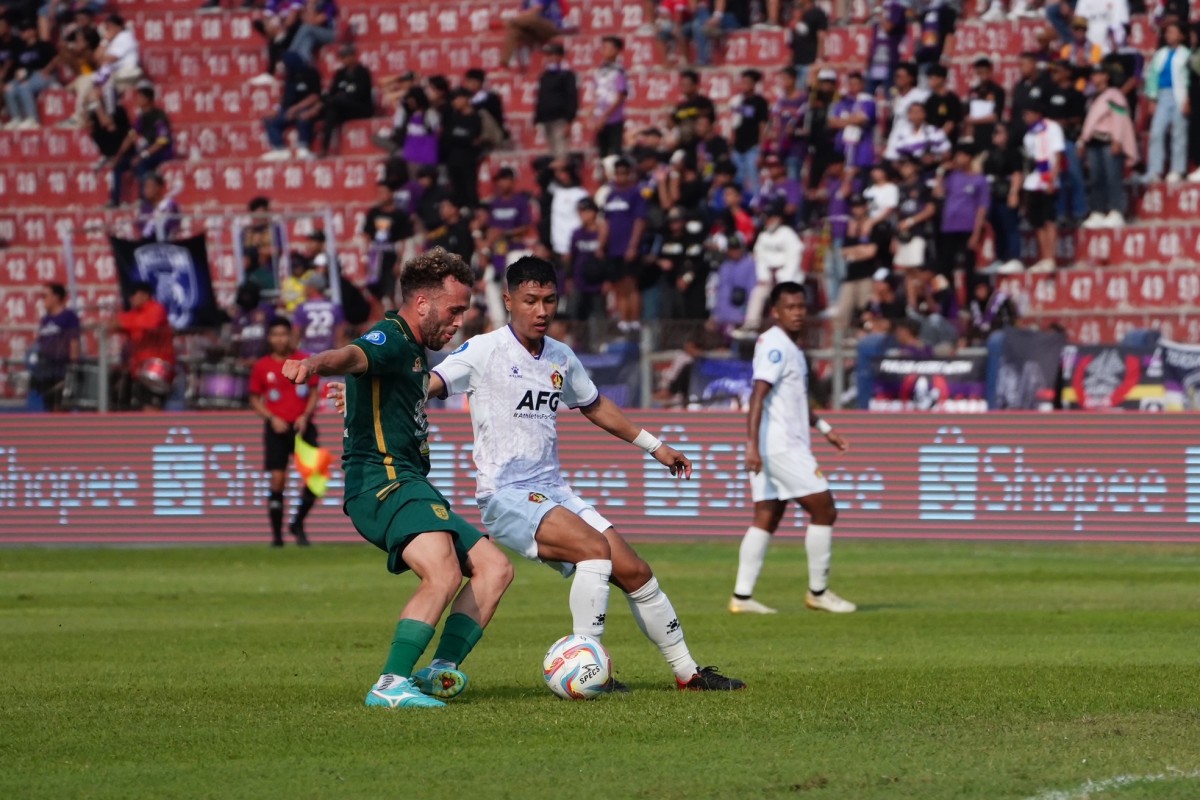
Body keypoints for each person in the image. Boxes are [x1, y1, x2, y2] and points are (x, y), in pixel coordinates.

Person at [332, 256, 746, 692]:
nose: (541, 310)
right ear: (509, 301)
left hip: (553, 490)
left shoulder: (561, 356)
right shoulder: (484, 349)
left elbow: (594, 405)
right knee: (593, 550)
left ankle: (688, 674)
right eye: (530, 300)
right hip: (506, 494)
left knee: (635, 571)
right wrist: (365, 392)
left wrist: (656, 446)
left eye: (549, 300)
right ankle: (590, 669)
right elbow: (428, 382)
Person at [281, 247, 514, 709]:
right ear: (422, 303)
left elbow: (373, 382)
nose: (459, 322)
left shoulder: (412, 350)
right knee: (443, 573)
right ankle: (390, 685)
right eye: (454, 310)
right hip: (382, 482)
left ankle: (437, 671)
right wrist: (313, 364)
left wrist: (353, 397)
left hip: (407, 481)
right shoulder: (390, 336)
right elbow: (352, 355)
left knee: (494, 568)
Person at [730, 281, 855, 615]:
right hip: (781, 446)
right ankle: (819, 592)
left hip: (775, 445)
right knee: (825, 510)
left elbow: (794, 401)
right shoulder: (776, 345)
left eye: (801, 307)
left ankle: (741, 598)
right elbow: (757, 395)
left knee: (767, 516)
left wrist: (825, 429)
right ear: (776, 311)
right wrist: (751, 446)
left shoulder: (791, 347)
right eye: (790, 307)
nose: (797, 313)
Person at [248, 317, 320, 548]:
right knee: (278, 480)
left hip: (302, 426)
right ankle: (277, 537)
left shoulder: (304, 360)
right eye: (275, 335)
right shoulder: (262, 366)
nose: (280, 339)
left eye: (283, 334)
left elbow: (314, 391)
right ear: (269, 338)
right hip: (276, 428)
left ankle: (297, 522)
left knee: (316, 478)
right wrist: (271, 418)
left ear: (291, 336)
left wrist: (305, 416)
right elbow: (254, 398)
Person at [1080, 65, 1135, 228]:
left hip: (1108, 140)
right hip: (1094, 142)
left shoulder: (1114, 94)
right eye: (1093, 75)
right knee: (1096, 178)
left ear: (1106, 76)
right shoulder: (1092, 96)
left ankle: (1116, 210)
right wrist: (1083, 141)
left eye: (1098, 74)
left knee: (1112, 177)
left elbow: (1119, 118)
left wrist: (1117, 139)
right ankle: (1097, 210)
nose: (1095, 78)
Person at [598, 156, 647, 331]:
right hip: (613, 249)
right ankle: (623, 320)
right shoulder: (610, 196)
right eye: (617, 173)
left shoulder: (635, 194)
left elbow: (639, 221)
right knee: (618, 286)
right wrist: (601, 245)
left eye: (623, 173)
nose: (620, 177)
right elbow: (606, 223)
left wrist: (633, 246)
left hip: (628, 248)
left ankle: (634, 320)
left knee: (630, 285)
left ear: (629, 174)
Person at [934, 143, 990, 286]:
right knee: (946, 266)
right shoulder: (953, 177)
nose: (957, 159)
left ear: (969, 158)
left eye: (961, 155)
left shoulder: (979, 179)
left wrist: (976, 234)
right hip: (949, 226)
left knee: (969, 266)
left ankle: (969, 298)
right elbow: (938, 193)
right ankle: (949, 297)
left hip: (968, 227)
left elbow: (982, 208)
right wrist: (940, 172)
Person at [110, 84, 174, 208]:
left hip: (160, 153)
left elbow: (161, 142)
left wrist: (142, 155)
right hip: (146, 152)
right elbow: (131, 136)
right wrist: (119, 155)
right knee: (119, 165)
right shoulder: (141, 118)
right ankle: (115, 201)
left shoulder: (159, 117)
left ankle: (144, 200)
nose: (137, 100)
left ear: (147, 99)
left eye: (139, 97)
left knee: (140, 164)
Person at [1143, 21, 1191, 184]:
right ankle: (1155, 170)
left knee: (1179, 133)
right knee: (1157, 132)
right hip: (1163, 95)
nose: (1169, 35)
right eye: (1167, 32)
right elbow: (1152, 76)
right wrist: (1152, 98)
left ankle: (1177, 169)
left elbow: (1188, 79)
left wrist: (1187, 99)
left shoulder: (1186, 54)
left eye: (1173, 31)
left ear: (1181, 35)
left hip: (1179, 95)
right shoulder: (1160, 54)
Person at [115, 280, 175, 410]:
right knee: (131, 405)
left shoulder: (156, 309)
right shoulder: (133, 313)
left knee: (151, 408)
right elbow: (117, 322)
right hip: (138, 369)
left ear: (145, 295)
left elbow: (149, 324)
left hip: (157, 368)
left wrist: (121, 324)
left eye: (134, 294)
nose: (131, 298)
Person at [744, 201, 803, 332]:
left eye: (771, 217)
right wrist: (764, 276)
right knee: (757, 293)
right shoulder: (763, 236)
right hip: (769, 276)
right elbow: (760, 258)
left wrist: (785, 278)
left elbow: (794, 257)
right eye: (767, 218)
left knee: (785, 298)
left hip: (788, 277)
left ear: (778, 218)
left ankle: (787, 327)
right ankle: (751, 326)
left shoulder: (788, 234)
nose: (768, 221)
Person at [1021, 102, 1064, 273]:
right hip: (1033, 181)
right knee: (1037, 221)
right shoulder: (1028, 134)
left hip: (1047, 178)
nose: (1025, 117)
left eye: (1028, 114)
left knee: (1049, 220)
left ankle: (1051, 257)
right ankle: (1044, 257)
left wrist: (1053, 178)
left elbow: (1058, 154)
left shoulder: (1052, 128)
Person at [363, 180, 414, 307]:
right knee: (374, 290)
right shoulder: (373, 213)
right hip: (375, 257)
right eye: (379, 192)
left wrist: (399, 261)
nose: (381, 195)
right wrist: (366, 256)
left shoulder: (400, 215)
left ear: (391, 194)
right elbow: (367, 235)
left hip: (391, 256)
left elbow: (403, 240)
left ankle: (395, 315)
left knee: (390, 291)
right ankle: (382, 316)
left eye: (384, 192)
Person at [262, 51, 321, 161]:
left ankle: (303, 148)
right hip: (290, 110)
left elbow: (315, 96)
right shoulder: (290, 76)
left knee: (304, 116)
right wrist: (278, 110)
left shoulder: (311, 73)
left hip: (305, 108)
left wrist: (296, 108)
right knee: (270, 121)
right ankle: (280, 149)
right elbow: (286, 99)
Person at [31, 283, 80, 412]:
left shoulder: (69, 317)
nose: (43, 300)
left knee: (60, 405)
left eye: (45, 296)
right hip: (47, 368)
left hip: (62, 368)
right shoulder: (45, 319)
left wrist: (73, 366)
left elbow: (74, 341)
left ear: (56, 297)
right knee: (48, 405)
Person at [318, 43, 372, 155]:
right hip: (342, 107)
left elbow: (361, 93)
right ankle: (324, 147)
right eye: (341, 57)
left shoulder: (363, 72)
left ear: (353, 56)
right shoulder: (340, 73)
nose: (343, 60)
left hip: (360, 107)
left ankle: (320, 109)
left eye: (345, 56)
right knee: (331, 111)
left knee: (336, 102)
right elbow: (332, 92)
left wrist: (343, 96)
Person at [3, 21, 59, 129]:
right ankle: (16, 118)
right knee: (8, 88)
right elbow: (17, 66)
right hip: (25, 75)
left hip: (42, 75)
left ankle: (33, 119)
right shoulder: (21, 49)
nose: (22, 33)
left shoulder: (43, 45)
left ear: (33, 32)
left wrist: (47, 70)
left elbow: (57, 57)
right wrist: (18, 74)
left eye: (25, 31)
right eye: (22, 31)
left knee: (24, 87)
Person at [534, 42, 577, 161]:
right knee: (552, 152)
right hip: (547, 118)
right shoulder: (545, 75)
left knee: (561, 151)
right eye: (549, 55)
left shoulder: (567, 75)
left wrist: (569, 119)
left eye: (553, 55)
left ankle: (562, 170)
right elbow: (541, 97)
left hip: (560, 118)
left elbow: (572, 97)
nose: (551, 58)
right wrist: (537, 119)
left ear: (560, 56)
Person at [443, 88, 483, 210]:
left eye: (456, 99)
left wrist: (461, 138)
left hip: (468, 161)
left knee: (470, 191)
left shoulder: (476, 117)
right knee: (456, 192)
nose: (454, 102)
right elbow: (448, 137)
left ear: (465, 99)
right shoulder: (452, 117)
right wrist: (465, 139)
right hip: (452, 161)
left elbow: (472, 137)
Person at [730, 69, 768, 195]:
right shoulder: (738, 101)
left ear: (754, 84)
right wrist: (731, 145)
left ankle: (756, 203)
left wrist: (761, 148)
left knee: (753, 179)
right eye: (743, 82)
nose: (744, 85)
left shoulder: (760, 102)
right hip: (738, 147)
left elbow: (763, 125)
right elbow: (734, 124)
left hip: (752, 147)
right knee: (737, 179)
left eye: (747, 82)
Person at [500, 0, 566, 69]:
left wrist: (514, 20)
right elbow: (522, 13)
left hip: (551, 26)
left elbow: (536, 10)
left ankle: (509, 23)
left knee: (531, 17)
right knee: (514, 32)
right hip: (535, 31)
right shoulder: (527, 1)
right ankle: (504, 63)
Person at [591, 36, 627, 160]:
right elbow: (596, 93)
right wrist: (593, 114)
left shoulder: (619, 71)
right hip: (600, 116)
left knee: (616, 152)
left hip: (614, 118)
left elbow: (620, 96)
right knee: (602, 153)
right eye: (604, 48)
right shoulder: (599, 70)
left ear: (617, 50)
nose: (605, 51)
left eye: (609, 48)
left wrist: (605, 115)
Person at [294, 274, 347, 354]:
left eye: (306, 286)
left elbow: (296, 333)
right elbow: (340, 336)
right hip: (330, 354)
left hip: (307, 354)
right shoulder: (335, 307)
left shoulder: (302, 308)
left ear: (312, 288)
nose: (304, 289)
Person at [242, 196, 283, 290]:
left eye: (263, 214)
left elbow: (277, 250)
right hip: (250, 273)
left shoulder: (274, 229)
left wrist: (257, 252)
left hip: (268, 272)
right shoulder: (246, 232)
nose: (260, 218)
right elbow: (242, 256)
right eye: (257, 215)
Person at [787, 0, 827, 91]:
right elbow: (792, 43)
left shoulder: (817, 14)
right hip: (797, 62)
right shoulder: (796, 18)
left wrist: (819, 58)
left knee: (808, 90)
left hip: (810, 62)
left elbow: (821, 37)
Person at [134, 173, 181, 242]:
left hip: (166, 243)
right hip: (146, 244)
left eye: (148, 186)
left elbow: (174, 229)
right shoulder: (144, 208)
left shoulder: (171, 206)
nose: (145, 190)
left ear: (158, 188)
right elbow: (140, 230)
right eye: (144, 187)